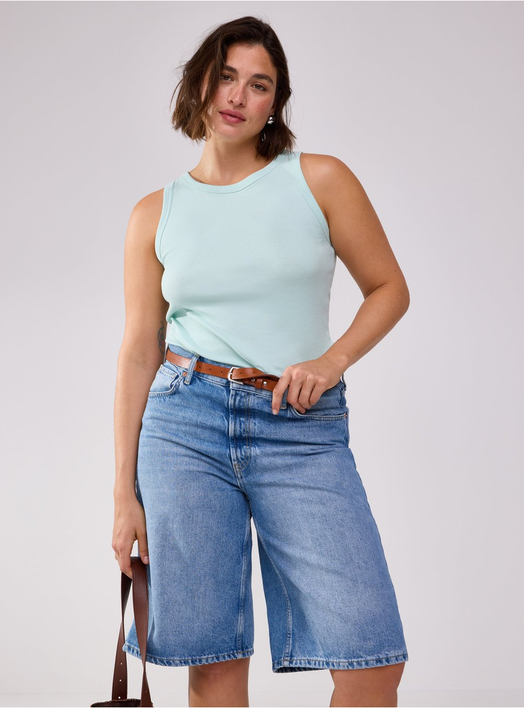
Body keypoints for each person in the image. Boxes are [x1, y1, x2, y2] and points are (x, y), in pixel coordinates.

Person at [111, 15, 410, 708]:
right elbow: (138, 350)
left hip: (300, 426)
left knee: (370, 658)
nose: (237, 95)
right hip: (184, 426)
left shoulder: (320, 179)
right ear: (199, 83)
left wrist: (331, 361)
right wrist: (123, 494)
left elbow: (389, 288)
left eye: (259, 84)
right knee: (213, 663)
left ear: (276, 102)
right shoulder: (154, 213)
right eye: (225, 76)